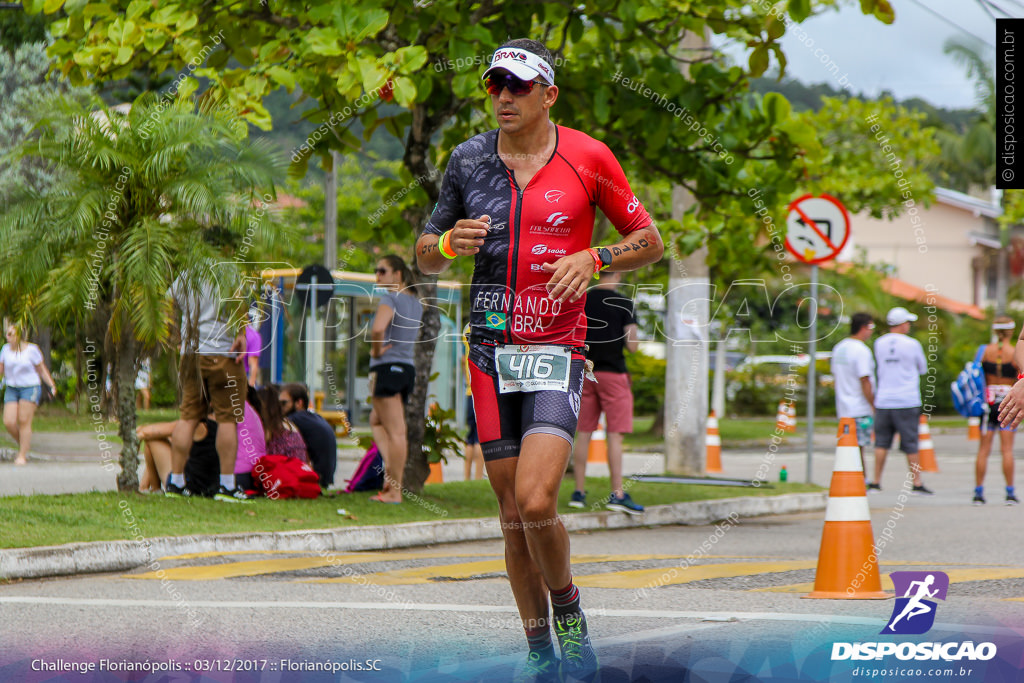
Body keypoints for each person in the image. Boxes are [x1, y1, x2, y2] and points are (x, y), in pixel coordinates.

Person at [415, 39, 663, 680]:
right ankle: (539, 653)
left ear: (548, 95)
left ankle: (569, 611)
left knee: (535, 501)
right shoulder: (467, 160)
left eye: (518, 86)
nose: (503, 96)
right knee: (507, 516)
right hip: (491, 348)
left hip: (557, 345)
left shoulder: (589, 157)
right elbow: (423, 252)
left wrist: (596, 257)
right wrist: (445, 241)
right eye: (495, 85)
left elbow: (649, 241)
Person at [166, 275, 251, 502]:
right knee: (227, 419)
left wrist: (176, 334)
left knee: (188, 417)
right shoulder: (229, 272)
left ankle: (175, 482)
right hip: (224, 353)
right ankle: (227, 485)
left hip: (190, 354)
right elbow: (239, 307)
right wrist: (242, 335)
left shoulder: (188, 272)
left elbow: (167, 302)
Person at [570, 271, 643, 514]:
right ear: (619, 273)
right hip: (614, 374)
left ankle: (578, 493)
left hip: (585, 372)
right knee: (615, 435)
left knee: (583, 432)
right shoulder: (623, 302)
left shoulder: (582, 298)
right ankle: (617, 494)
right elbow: (632, 346)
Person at [367, 255, 423, 503]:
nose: (378, 276)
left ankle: (394, 491)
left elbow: (378, 328)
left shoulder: (390, 297)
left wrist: (377, 350)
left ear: (398, 275)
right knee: (377, 421)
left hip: (388, 367)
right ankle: (390, 479)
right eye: (376, 271)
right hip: (406, 369)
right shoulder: (416, 302)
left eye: (382, 271)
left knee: (397, 432)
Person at [869, 307, 932, 494]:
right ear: (903, 324)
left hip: (883, 400)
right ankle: (917, 483)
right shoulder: (912, 344)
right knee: (911, 443)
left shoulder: (878, 343)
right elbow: (922, 368)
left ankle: (876, 482)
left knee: (881, 443)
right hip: (907, 400)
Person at [972, 316, 1018, 505]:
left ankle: (978, 492)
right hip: (1008, 402)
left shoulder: (984, 352)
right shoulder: (1015, 352)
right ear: (1011, 331)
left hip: (987, 403)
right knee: (1007, 450)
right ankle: (1009, 492)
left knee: (983, 450)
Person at [1, 324, 57, 466]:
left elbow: (41, 369)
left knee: (24, 420)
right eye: (7, 334)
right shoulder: (5, 350)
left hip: (30, 387)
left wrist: (51, 385)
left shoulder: (31, 350)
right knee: (9, 421)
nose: (7, 337)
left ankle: (22, 455)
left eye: (10, 334)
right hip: (12, 387)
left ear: (19, 335)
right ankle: (24, 444)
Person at [830, 312, 876, 477]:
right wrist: (873, 403)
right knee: (858, 448)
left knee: (847, 448)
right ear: (863, 328)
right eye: (871, 327)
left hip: (843, 407)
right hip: (859, 408)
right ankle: (859, 481)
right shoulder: (861, 350)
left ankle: (851, 478)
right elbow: (865, 380)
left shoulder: (839, 348)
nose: (871, 332)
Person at [279, 382, 337, 488]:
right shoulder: (314, 417)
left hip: (316, 477)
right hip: (326, 476)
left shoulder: (294, 419)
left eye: (284, 403)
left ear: (299, 403)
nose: (280, 407)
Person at [258, 384, 308, 464]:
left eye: (284, 402)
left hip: (285, 473)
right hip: (300, 471)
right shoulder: (289, 425)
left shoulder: (276, 430)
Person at [462, 323, 484, 481]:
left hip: (470, 390)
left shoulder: (468, 327)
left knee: (470, 436)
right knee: (480, 437)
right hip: (483, 390)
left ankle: (466, 477)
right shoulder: (490, 323)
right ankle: (477, 477)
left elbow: (464, 357)